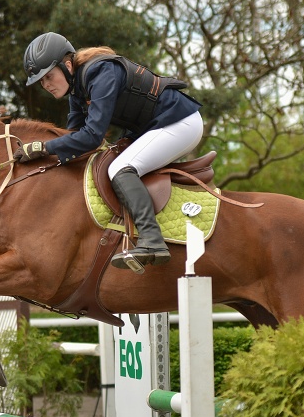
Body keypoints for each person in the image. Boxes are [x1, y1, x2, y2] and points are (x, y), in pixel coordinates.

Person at [16, 32, 204, 271]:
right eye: (41, 82)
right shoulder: (77, 90)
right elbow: (72, 136)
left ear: (66, 65)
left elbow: (92, 137)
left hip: (180, 122)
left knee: (120, 168)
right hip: (156, 126)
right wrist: (41, 156)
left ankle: (152, 240)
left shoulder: (100, 72)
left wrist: (43, 148)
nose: (46, 85)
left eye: (48, 77)